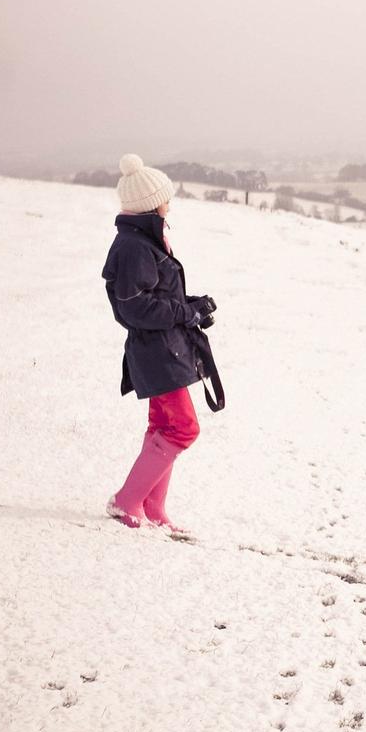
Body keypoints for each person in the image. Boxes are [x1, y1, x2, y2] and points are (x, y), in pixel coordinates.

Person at [102, 154, 218, 532]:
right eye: (166, 198)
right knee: (183, 428)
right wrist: (184, 312)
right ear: (152, 204)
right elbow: (134, 306)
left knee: (162, 425)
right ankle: (126, 501)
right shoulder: (135, 246)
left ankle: (152, 506)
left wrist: (192, 307)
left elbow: (156, 297)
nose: (170, 203)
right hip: (157, 352)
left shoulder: (144, 240)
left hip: (164, 348)